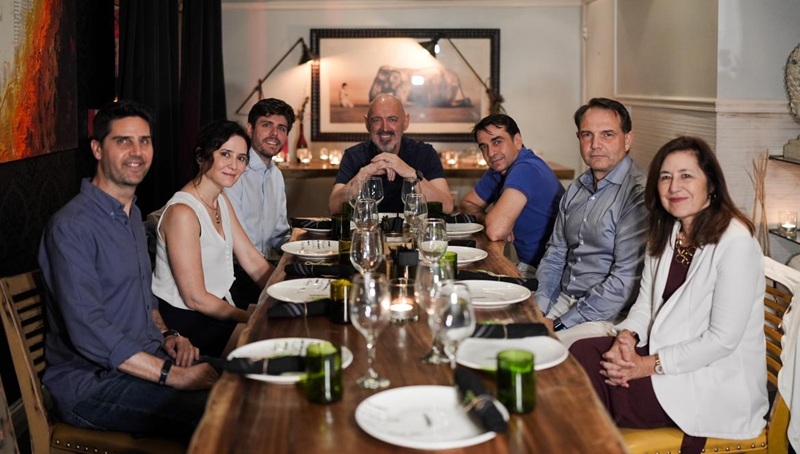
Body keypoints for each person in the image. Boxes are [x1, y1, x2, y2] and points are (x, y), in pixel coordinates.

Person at [570, 136, 767, 454]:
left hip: (711, 380)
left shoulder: (736, 243)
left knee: (589, 381)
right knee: (581, 352)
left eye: (686, 175)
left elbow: (722, 340)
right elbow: (646, 305)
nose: (674, 187)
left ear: (711, 184)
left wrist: (645, 365)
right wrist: (626, 339)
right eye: (665, 177)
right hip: (667, 356)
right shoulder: (669, 232)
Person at [38, 100, 217, 441]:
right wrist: (172, 375)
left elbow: (145, 302)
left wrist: (168, 335)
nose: (137, 151)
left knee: (252, 382)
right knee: (229, 410)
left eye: (144, 140)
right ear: (97, 149)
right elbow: (88, 329)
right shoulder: (71, 226)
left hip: (145, 359)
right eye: (123, 141)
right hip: (93, 385)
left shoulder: (132, 214)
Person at [152, 120, 274, 358]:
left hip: (217, 308)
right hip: (188, 322)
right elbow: (195, 299)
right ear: (202, 157)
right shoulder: (183, 213)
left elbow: (251, 259)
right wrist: (251, 317)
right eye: (225, 154)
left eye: (241, 158)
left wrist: (285, 294)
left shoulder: (220, 199)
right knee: (271, 343)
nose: (234, 165)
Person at [534, 97, 648, 347]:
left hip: (608, 315)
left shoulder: (638, 194)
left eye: (607, 134)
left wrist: (560, 323)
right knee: (505, 335)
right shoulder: (577, 187)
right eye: (587, 135)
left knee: (543, 351)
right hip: (563, 300)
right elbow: (555, 254)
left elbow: (624, 282)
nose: (595, 145)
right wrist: (539, 309)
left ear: (627, 139)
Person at [459, 114, 564, 276]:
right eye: (484, 147)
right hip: (532, 265)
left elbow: (495, 231)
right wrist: (486, 218)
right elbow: (467, 204)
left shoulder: (526, 168)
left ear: (517, 141)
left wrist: (496, 222)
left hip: (551, 273)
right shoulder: (498, 170)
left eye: (497, 142)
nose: (490, 153)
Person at [327, 93, 453, 214]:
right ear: (367, 124)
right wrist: (364, 174)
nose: (385, 128)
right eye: (376, 120)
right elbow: (333, 208)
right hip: (367, 228)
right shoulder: (353, 155)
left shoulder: (425, 153)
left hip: (413, 228)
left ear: (405, 122)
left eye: (392, 120)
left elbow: (447, 206)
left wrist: (410, 173)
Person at [224, 98, 294, 304]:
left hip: (260, 267)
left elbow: (279, 235)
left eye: (281, 128)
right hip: (232, 275)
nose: (274, 133)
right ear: (249, 129)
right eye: (267, 125)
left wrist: (305, 251)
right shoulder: (233, 172)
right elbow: (238, 247)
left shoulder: (276, 176)